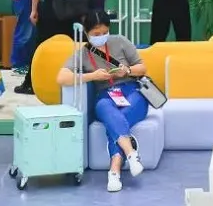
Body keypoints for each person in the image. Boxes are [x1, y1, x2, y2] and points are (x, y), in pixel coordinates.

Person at [56, 10, 146, 192]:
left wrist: (127, 71)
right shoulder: (83, 53)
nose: (101, 37)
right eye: (96, 34)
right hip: (106, 95)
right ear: (87, 33)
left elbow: (142, 68)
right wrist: (92, 76)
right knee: (105, 108)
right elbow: (61, 77)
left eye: (105, 32)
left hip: (131, 90)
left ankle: (115, 168)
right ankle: (131, 153)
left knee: (118, 119)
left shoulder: (120, 41)